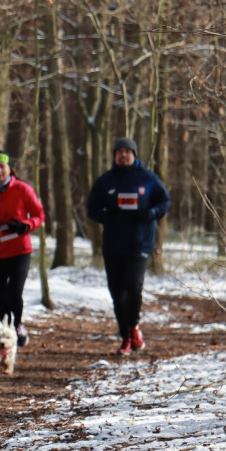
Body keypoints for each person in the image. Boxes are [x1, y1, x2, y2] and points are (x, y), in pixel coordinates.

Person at [86, 137, 170, 354]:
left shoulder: (148, 179)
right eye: (119, 152)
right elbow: (92, 208)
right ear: (114, 156)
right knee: (117, 293)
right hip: (113, 245)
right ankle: (126, 335)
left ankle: (133, 328)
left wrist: (150, 213)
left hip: (139, 244)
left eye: (127, 152)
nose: (123, 155)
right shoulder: (106, 181)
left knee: (133, 288)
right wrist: (107, 214)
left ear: (134, 155)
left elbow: (164, 201)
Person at [0, 150, 45, 347]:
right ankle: (4, 329)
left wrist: (25, 225)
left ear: (9, 168)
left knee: (14, 292)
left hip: (20, 250)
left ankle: (18, 325)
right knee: (1, 295)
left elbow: (39, 215)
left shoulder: (22, 189)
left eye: (1, 166)